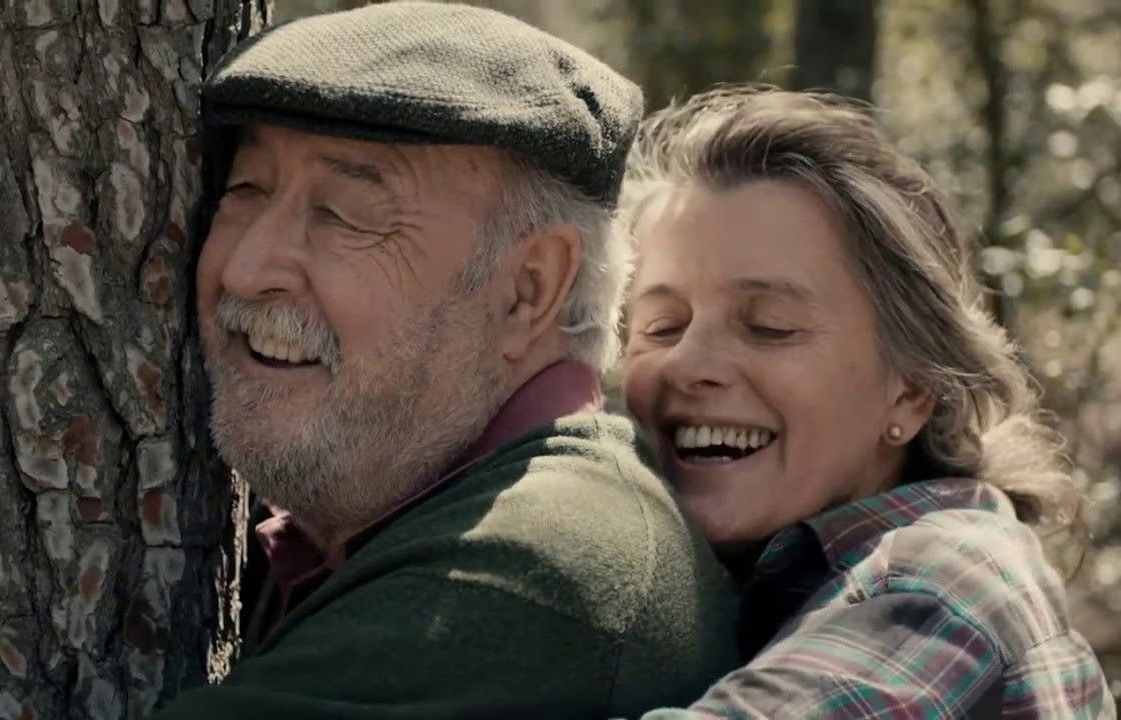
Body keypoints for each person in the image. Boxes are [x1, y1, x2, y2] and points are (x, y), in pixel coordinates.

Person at [150, 4, 738, 718]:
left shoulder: (526, 571)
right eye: (246, 189)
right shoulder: (400, 508)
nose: (245, 270)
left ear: (528, 290)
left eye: (344, 214)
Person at [621, 85, 1114, 718]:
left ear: (910, 388)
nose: (687, 364)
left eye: (770, 326)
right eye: (662, 327)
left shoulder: (944, 581)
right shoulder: (768, 584)